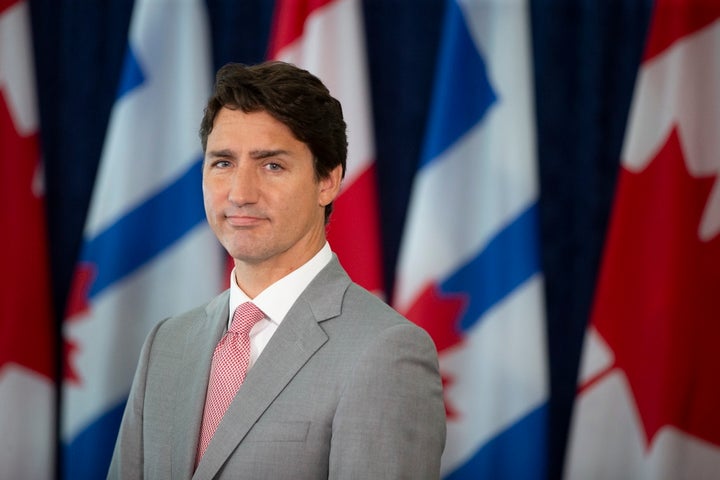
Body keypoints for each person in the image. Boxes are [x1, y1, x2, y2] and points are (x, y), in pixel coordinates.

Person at [107, 61, 446, 479]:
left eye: (272, 165)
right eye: (223, 163)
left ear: (328, 181)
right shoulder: (166, 344)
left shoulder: (387, 352)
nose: (240, 193)